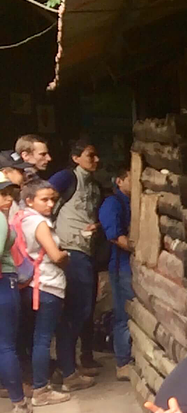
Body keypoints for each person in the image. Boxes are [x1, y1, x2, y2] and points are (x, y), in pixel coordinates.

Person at [48, 137, 104, 382]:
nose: (96, 160)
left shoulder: (95, 185)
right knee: (75, 310)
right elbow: (43, 196)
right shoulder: (67, 177)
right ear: (76, 157)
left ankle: (71, 365)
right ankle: (67, 369)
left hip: (87, 250)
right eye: (90, 155)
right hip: (71, 251)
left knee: (84, 309)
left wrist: (97, 226)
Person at [18, 180, 73, 406]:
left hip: (28, 284)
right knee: (42, 339)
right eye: (44, 199)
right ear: (30, 200)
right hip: (47, 285)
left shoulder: (19, 218)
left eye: (52, 199)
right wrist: (66, 255)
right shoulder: (40, 223)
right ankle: (41, 389)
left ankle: (30, 384)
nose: (50, 204)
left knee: (31, 338)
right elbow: (55, 255)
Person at [99, 165, 133, 381]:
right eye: (131, 177)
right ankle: (123, 362)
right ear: (119, 181)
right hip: (122, 266)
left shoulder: (134, 202)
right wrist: (138, 249)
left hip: (134, 267)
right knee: (123, 313)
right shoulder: (112, 203)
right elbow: (114, 235)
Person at [0, 180, 29, 413]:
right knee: (6, 346)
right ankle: (19, 402)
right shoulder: (0, 220)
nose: (7, 199)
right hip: (3, 281)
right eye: (1, 194)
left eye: (9, 193)